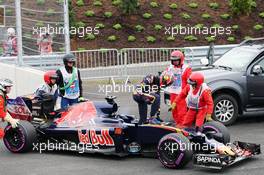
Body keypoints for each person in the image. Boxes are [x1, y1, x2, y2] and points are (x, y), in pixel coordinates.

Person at [165, 50, 192, 127]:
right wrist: (164, 78)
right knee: (174, 110)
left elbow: (190, 81)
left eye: (176, 61)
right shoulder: (170, 67)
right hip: (173, 92)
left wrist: (186, 91)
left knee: (181, 111)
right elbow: (165, 76)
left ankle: (183, 126)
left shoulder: (186, 68)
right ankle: (177, 123)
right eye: (173, 61)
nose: (175, 62)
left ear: (181, 59)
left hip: (182, 93)